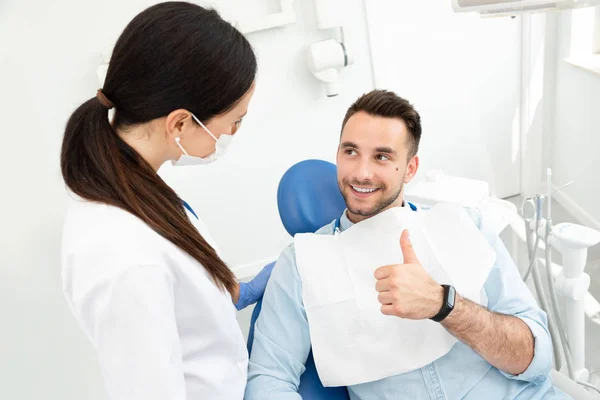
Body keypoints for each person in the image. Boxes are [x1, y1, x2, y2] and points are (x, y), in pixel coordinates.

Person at [245, 90, 570, 399]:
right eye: (351, 151)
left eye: (382, 156)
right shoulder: (303, 263)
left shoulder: (464, 225)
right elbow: (267, 381)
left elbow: (535, 357)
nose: (362, 172)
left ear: (410, 168)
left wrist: (444, 305)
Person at [60, 2, 273, 399]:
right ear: (179, 122)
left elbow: (178, 300)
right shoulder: (123, 254)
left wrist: (233, 293)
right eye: (234, 120)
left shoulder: (134, 186)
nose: (233, 132)